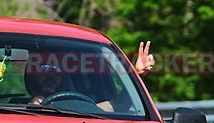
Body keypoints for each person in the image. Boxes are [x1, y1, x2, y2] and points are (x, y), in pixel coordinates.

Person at [27, 41, 156, 109]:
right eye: (44, 67)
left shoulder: (81, 108)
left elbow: (118, 106)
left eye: (57, 69)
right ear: (31, 74)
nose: (51, 74)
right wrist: (30, 108)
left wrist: (137, 74)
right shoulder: (12, 111)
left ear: (64, 76)